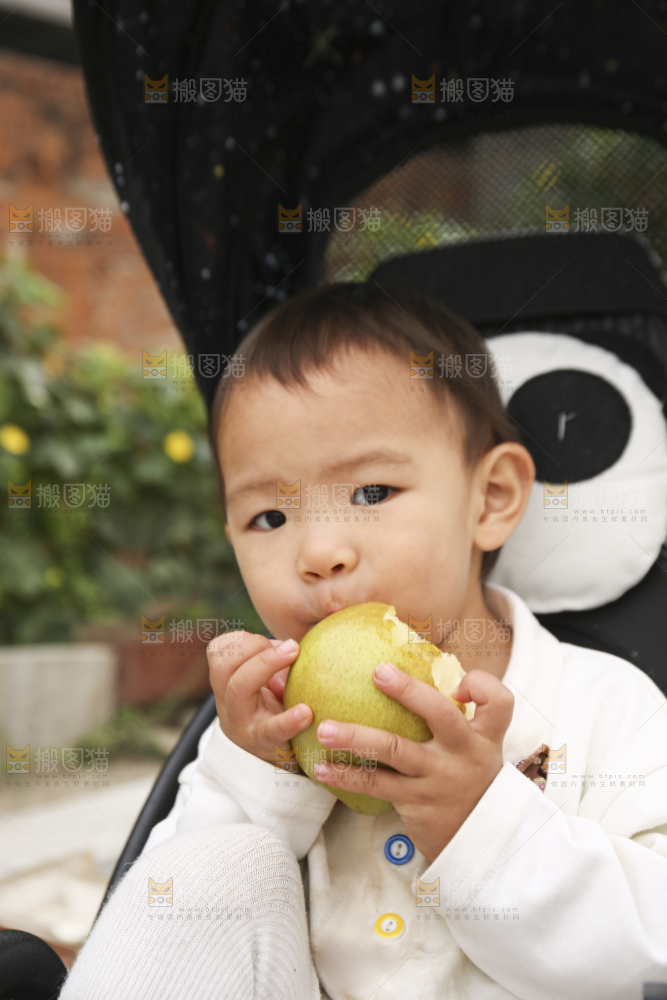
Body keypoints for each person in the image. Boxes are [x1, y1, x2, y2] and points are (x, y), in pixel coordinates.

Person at [60, 282, 667, 1000]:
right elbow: (171, 933)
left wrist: (483, 824)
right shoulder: (264, 732)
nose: (318, 551)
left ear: (490, 498)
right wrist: (262, 772)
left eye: (371, 493)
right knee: (210, 867)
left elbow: (649, 945)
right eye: (269, 518)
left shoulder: (603, 708)